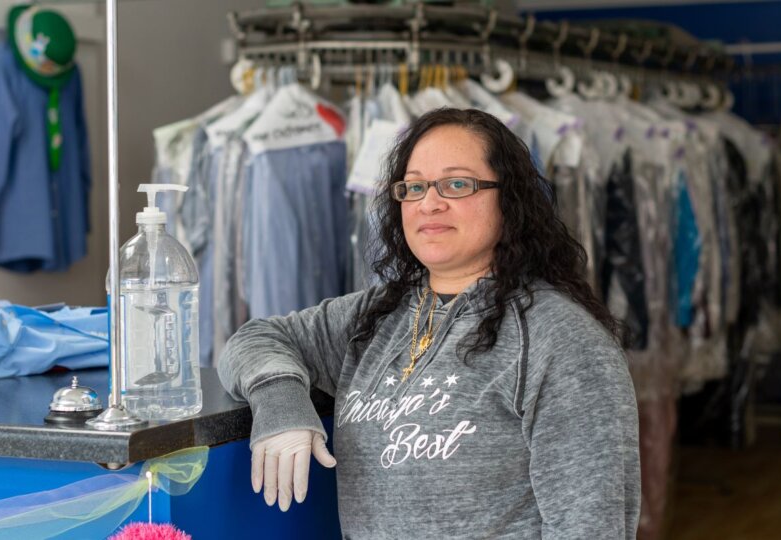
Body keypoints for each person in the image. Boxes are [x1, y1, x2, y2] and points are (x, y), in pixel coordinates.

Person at [219, 107, 641, 538]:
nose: (429, 203)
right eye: (415, 186)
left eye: (457, 184)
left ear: (510, 200)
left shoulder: (563, 340)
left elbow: (590, 527)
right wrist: (280, 400)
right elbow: (256, 338)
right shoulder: (378, 314)